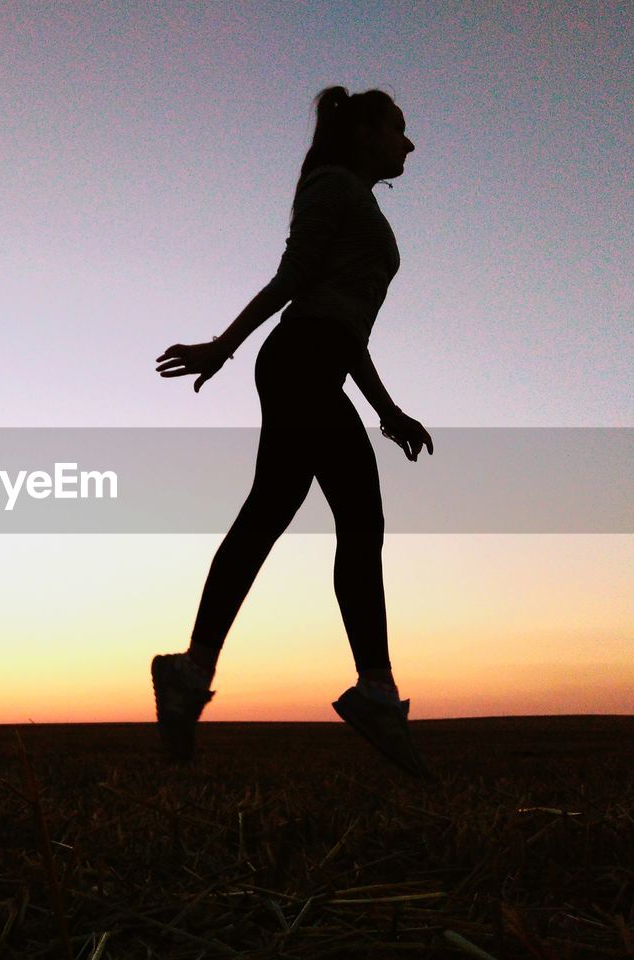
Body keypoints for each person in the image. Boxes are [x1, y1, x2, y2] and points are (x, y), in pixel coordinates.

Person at [152, 86, 434, 778]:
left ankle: (190, 674)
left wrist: (385, 408)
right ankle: (374, 691)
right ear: (364, 132)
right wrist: (224, 345)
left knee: (269, 515)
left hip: (316, 364)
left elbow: (342, 323)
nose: (409, 144)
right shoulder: (332, 185)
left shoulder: (352, 195)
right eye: (398, 130)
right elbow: (294, 282)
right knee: (357, 519)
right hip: (300, 363)